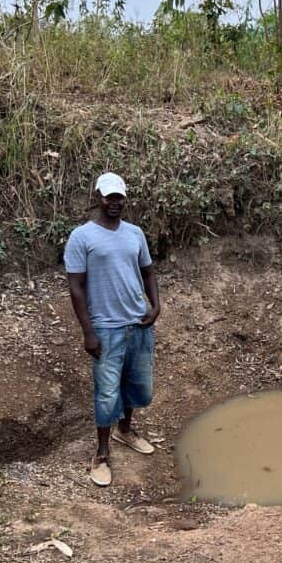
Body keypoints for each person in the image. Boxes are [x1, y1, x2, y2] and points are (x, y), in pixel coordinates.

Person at [63, 172, 161, 486]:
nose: (114, 203)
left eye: (119, 197)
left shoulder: (135, 233)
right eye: (109, 197)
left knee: (138, 387)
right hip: (105, 327)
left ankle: (125, 430)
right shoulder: (82, 237)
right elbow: (76, 287)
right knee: (107, 394)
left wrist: (155, 305)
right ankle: (102, 453)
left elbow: (148, 271)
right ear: (97, 197)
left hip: (138, 323)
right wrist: (88, 331)